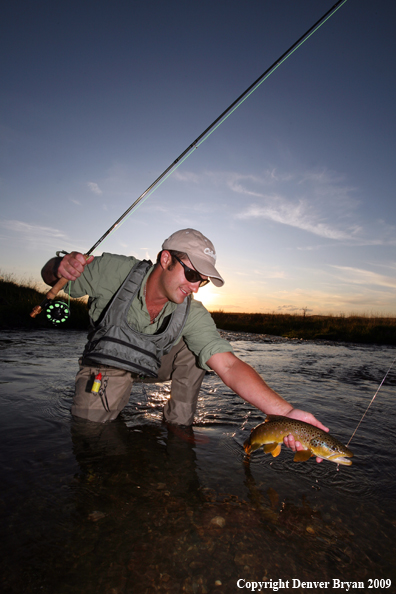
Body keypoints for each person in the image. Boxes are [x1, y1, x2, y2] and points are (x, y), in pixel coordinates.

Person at [41, 228, 328, 459]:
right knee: (91, 438)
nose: (194, 287)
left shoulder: (193, 312)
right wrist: (59, 265)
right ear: (165, 259)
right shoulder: (113, 270)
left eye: (201, 281)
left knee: (198, 350)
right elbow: (51, 276)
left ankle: (177, 424)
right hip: (108, 364)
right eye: (191, 275)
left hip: (152, 362)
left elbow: (228, 365)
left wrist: (286, 413)